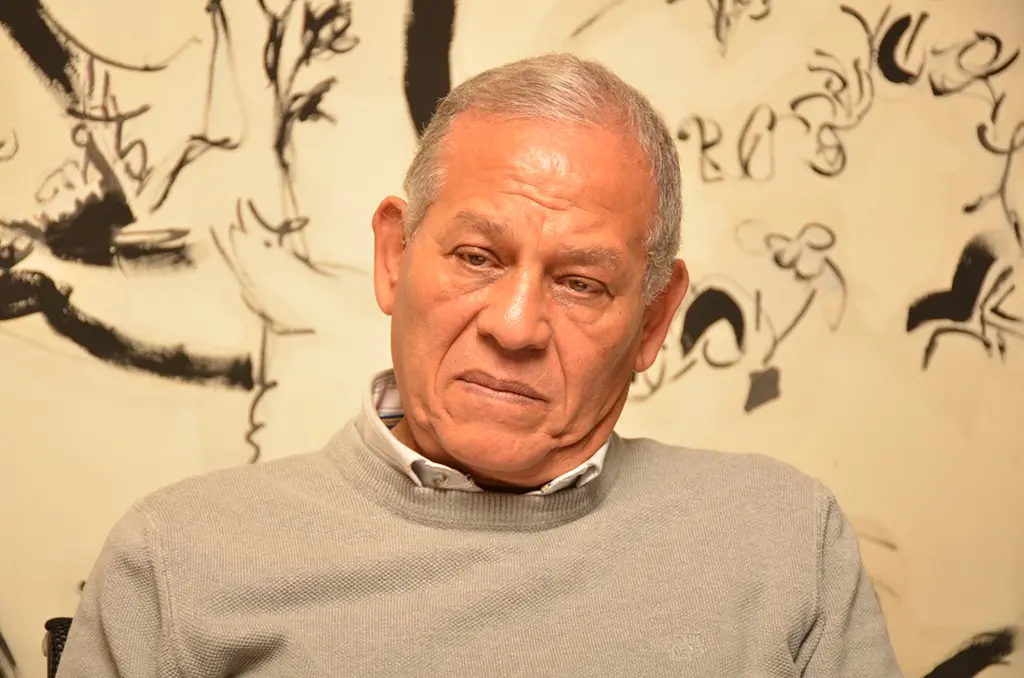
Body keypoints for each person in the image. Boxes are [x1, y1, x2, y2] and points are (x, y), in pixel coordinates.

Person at [56, 53, 903, 677]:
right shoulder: (177, 560)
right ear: (394, 257)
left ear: (653, 320)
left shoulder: (786, 542)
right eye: (476, 257)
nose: (515, 325)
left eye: (580, 282)